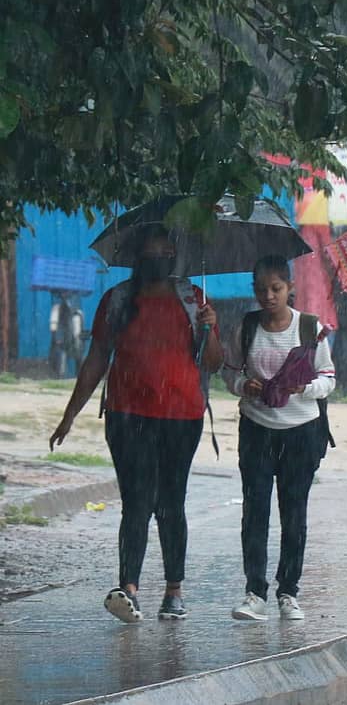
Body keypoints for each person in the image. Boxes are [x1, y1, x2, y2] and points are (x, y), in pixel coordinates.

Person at [49, 225, 223, 623]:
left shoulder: (193, 300)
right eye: (151, 252)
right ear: (138, 257)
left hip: (182, 415)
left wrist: (209, 326)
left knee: (171, 503)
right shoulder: (118, 299)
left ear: (174, 256)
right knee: (137, 502)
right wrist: (71, 413)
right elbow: (97, 359)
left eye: (165, 251)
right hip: (127, 414)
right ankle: (128, 589)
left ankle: (174, 591)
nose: (158, 258)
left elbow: (213, 361)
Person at [223, 255, 335, 621]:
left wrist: (305, 388)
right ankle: (255, 592)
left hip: (301, 432)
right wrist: (245, 385)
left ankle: (289, 591)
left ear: (290, 289)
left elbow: (329, 378)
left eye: (276, 288)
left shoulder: (309, 328)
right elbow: (229, 374)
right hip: (256, 429)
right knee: (255, 512)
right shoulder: (247, 327)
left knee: (294, 512)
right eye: (261, 289)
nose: (268, 296)